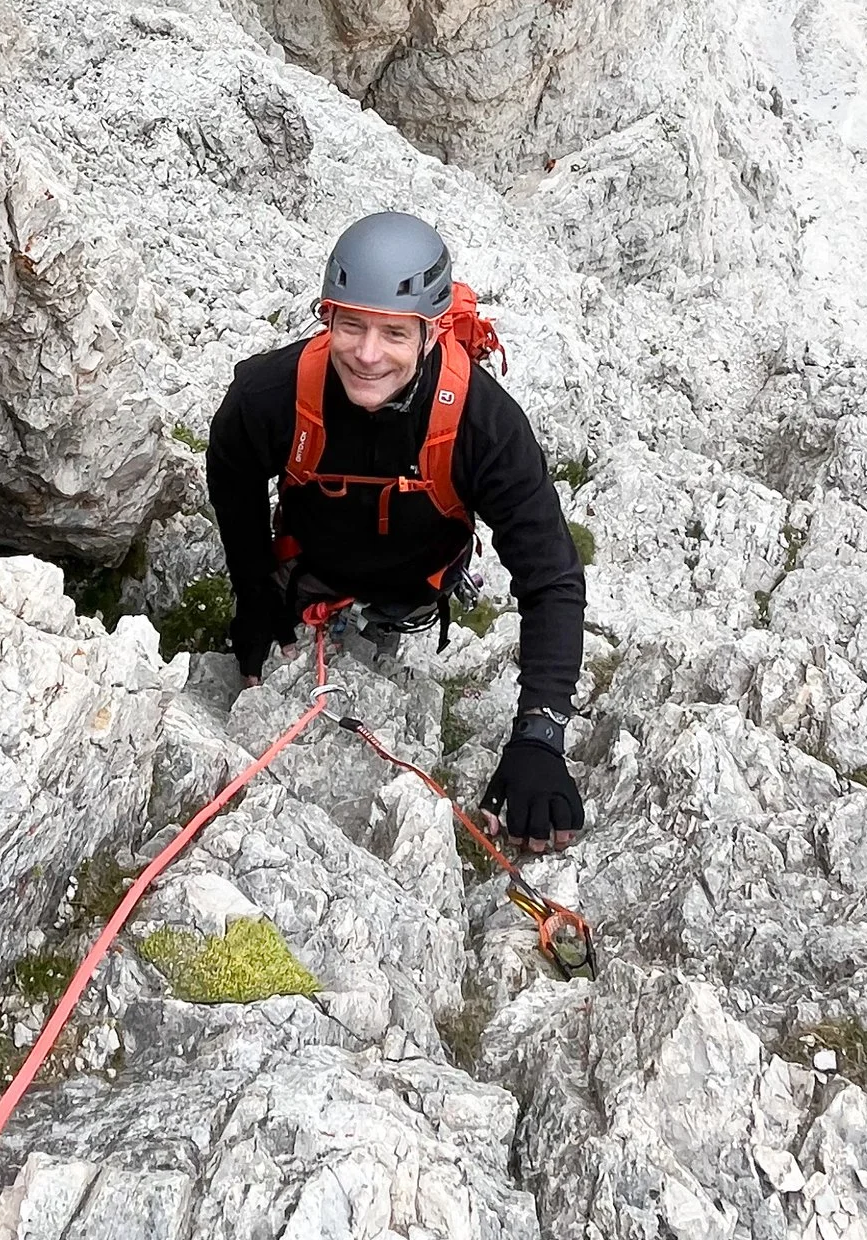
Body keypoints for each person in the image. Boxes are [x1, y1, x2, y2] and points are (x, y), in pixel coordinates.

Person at [206, 210, 587, 852]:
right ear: (327, 319)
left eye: (393, 333)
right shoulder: (270, 395)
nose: (367, 353)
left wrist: (540, 736)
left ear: (432, 333)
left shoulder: (483, 426)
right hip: (307, 577)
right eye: (351, 325)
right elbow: (231, 469)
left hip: (414, 591)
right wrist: (254, 597)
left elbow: (550, 575)